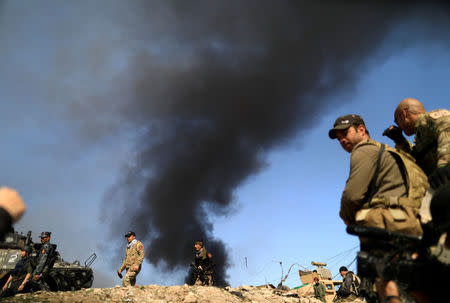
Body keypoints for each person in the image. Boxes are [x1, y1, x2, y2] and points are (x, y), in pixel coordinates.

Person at [329, 114, 428, 236]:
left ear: (361, 130)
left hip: (392, 225)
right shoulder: (389, 151)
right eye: (339, 139)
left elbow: (352, 197)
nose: (342, 140)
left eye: (345, 133)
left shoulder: (363, 150)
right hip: (416, 221)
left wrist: (347, 217)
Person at [384, 98, 449, 177]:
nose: (399, 126)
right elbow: (414, 162)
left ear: (404, 113)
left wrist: (444, 165)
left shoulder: (431, 118)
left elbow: (447, 131)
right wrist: (400, 141)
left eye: (397, 121)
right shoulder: (421, 136)